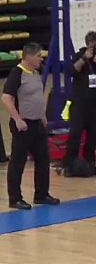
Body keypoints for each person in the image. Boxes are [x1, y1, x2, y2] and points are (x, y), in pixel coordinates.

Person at [2, 42, 59, 209]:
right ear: (28, 57)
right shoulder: (16, 74)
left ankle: (41, 194)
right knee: (18, 162)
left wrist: (42, 116)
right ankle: (15, 198)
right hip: (23, 125)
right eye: (38, 56)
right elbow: (6, 98)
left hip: (37, 123)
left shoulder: (35, 73)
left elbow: (37, 97)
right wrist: (18, 119)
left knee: (43, 159)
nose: (41, 59)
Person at [64, 31, 96, 176]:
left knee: (94, 134)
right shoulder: (79, 56)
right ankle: (70, 164)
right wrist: (84, 59)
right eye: (93, 46)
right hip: (81, 103)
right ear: (87, 45)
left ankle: (89, 163)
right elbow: (72, 71)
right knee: (75, 134)